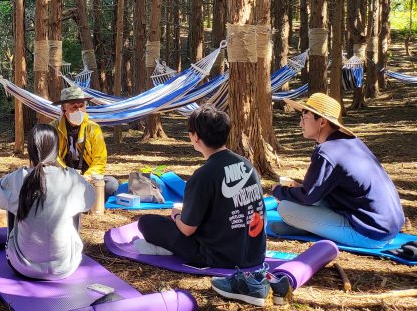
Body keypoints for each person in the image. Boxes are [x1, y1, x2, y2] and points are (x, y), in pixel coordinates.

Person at [135, 105, 267, 269]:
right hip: (254, 253)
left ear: (195, 137)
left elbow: (187, 229)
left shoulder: (204, 175)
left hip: (218, 256)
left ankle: (163, 249)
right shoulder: (246, 165)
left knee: (146, 223)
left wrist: (177, 216)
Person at [271, 93, 405, 247]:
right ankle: (307, 226)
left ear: (322, 122)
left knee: (285, 208)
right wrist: (300, 188)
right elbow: (317, 191)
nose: (301, 123)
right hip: (386, 227)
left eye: (305, 118)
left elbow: (308, 198)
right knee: (301, 202)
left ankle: (306, 227)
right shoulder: (350, 142)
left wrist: (278, 191)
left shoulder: (326, 152)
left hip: (369, 233)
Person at [0, 124, 95, 279]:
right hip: (65, 268)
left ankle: (16, 249)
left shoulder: (19, 177)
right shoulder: (71, 178)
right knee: (75, 203)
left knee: (12, 202)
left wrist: (12, 181)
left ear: (30, 149)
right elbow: (90, 198)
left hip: (22, 267)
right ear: (56, 150)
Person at [52, 86, 119, 198]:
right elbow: (53, 158)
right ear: (64, 109)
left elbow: (100, 160)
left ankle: (76, 196)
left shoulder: (94, 128)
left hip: (88, 178)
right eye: (74, 107)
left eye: (81, 106)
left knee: (111, 184)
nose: (79, 110)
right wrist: (70, 175)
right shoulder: (53, 129)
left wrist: (87, 176)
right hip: (64, 177)